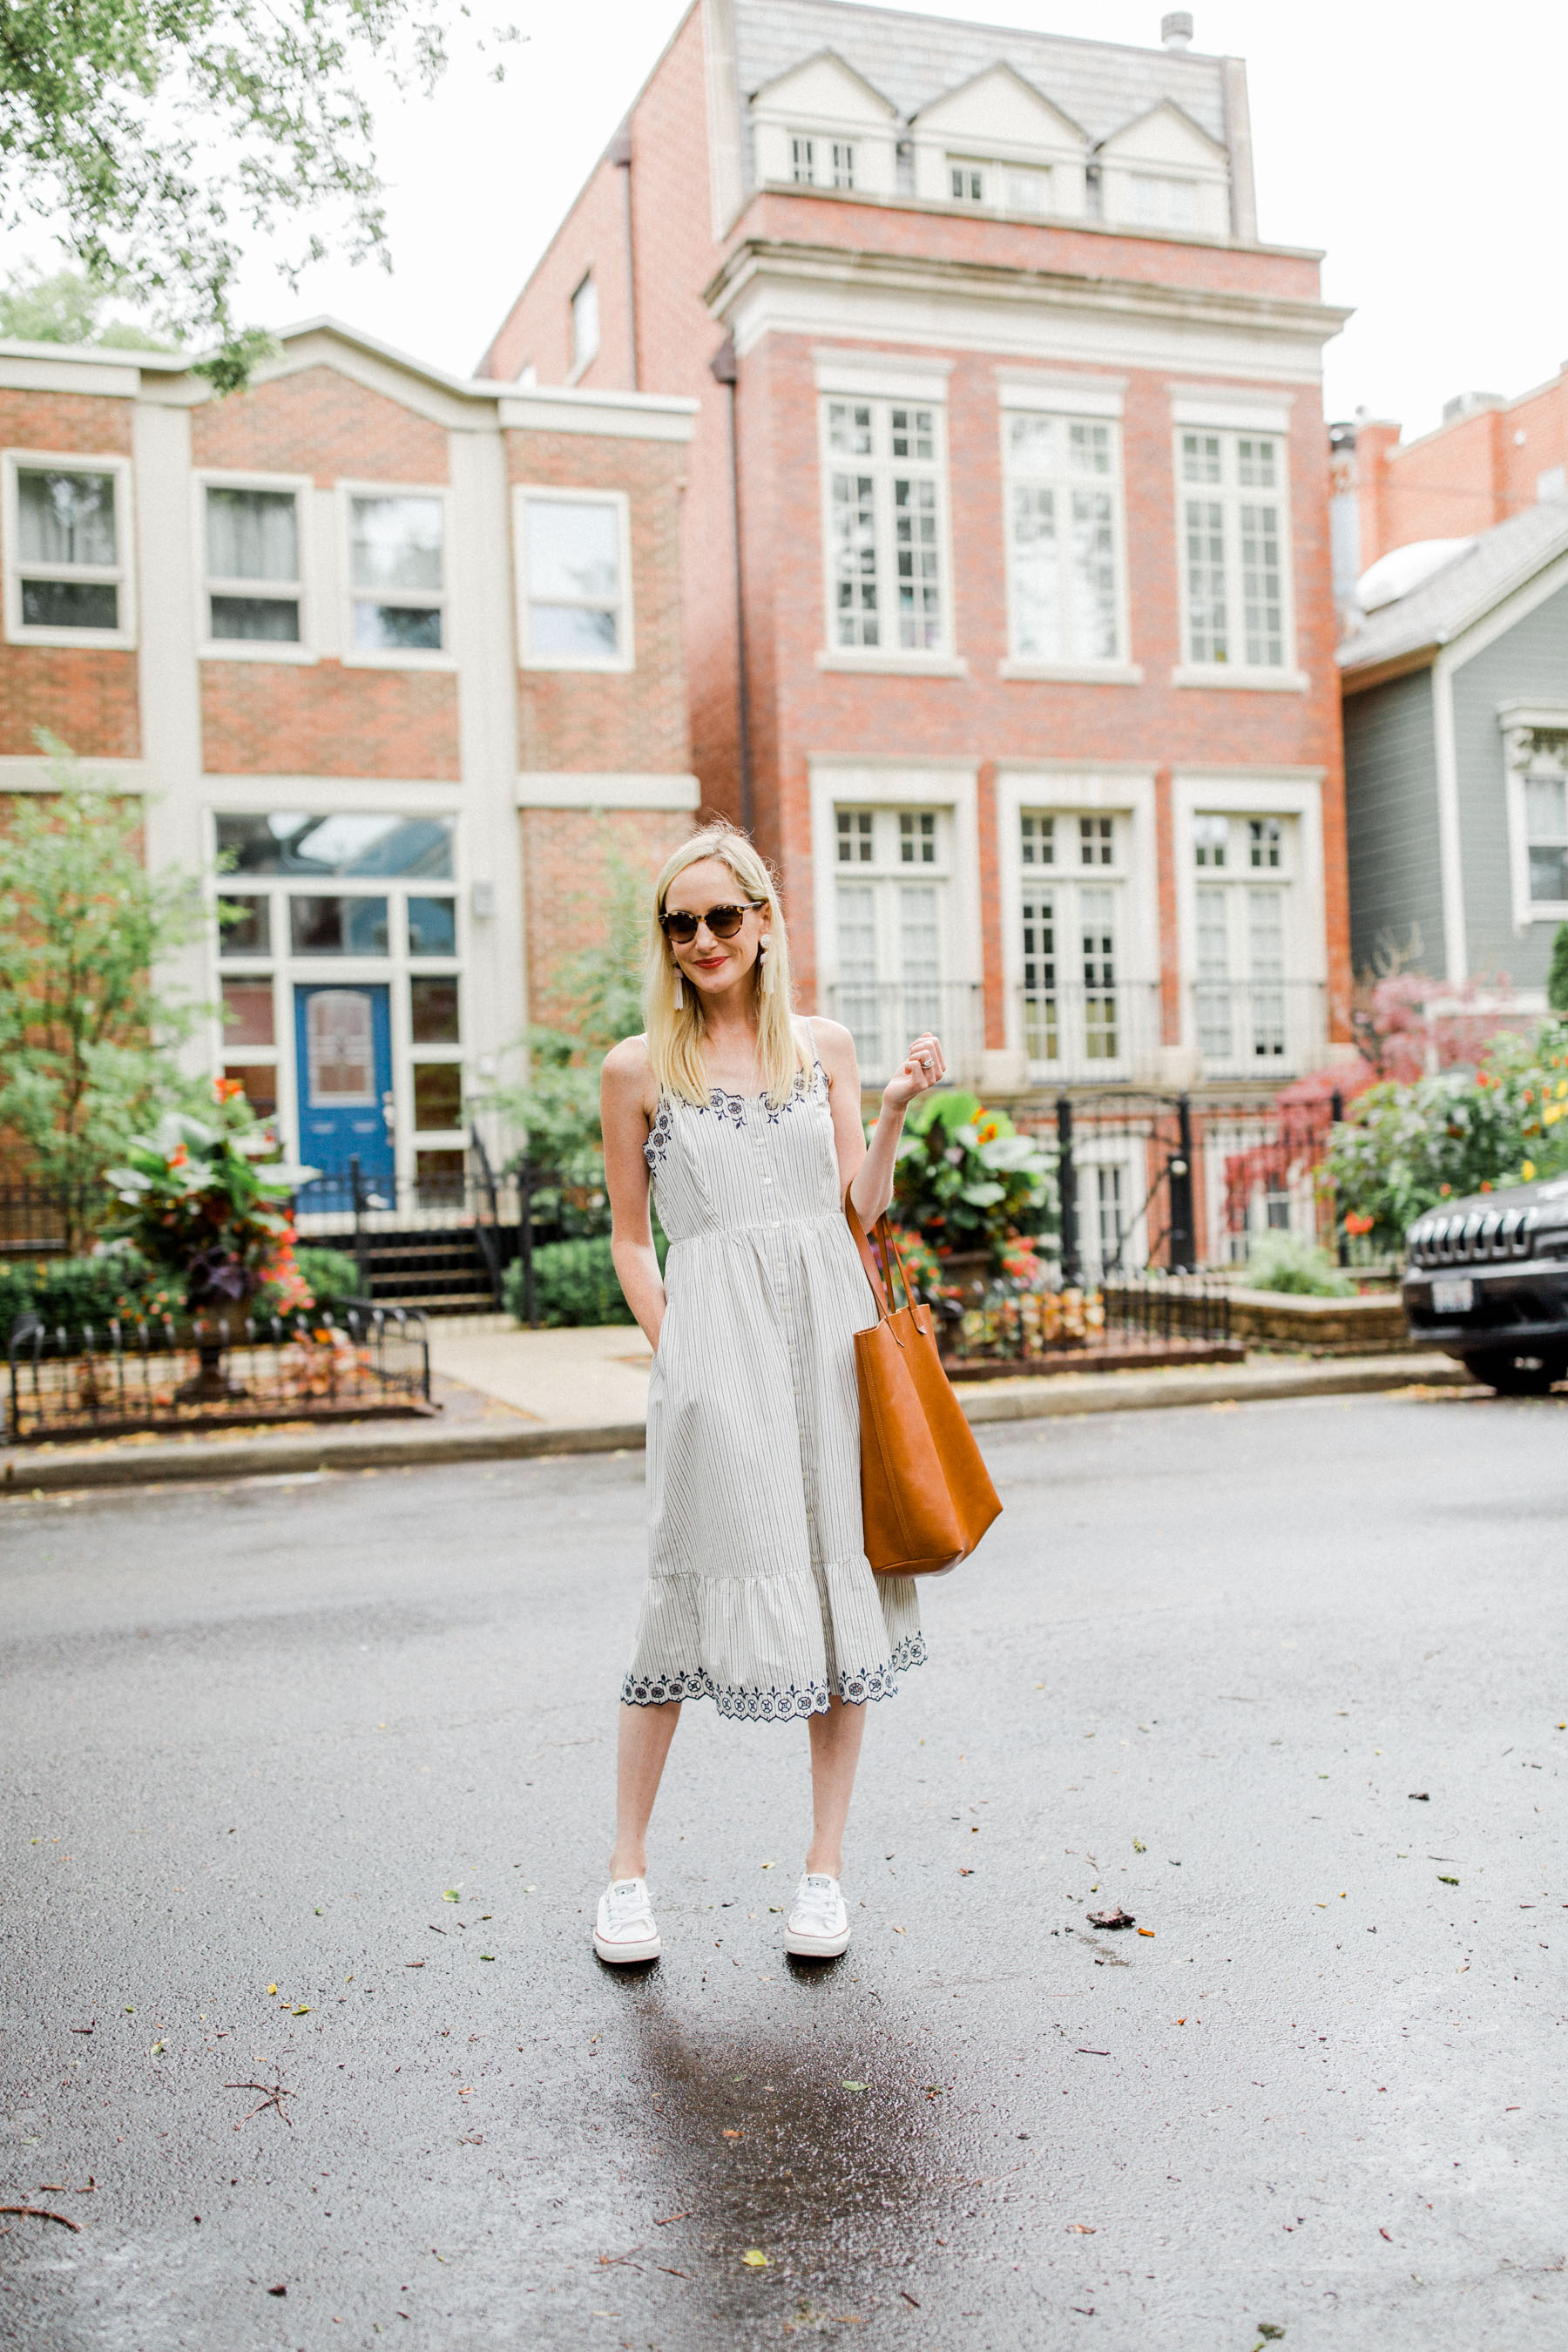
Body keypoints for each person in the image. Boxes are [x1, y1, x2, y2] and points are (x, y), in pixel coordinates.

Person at [593, 821, 945, 1965]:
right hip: (714, 1362)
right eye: (680, 922)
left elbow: (860, 1210)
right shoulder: (638, 1067)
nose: (701, 939)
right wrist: (676, 1352)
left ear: (764, 924)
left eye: (721, 918)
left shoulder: (824, 1048)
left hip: (828, 1344)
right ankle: (626, 1876)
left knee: (839, 1603)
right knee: (683, 1590)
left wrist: (890, 1110)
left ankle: (824, 1873)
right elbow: (631, 1243)